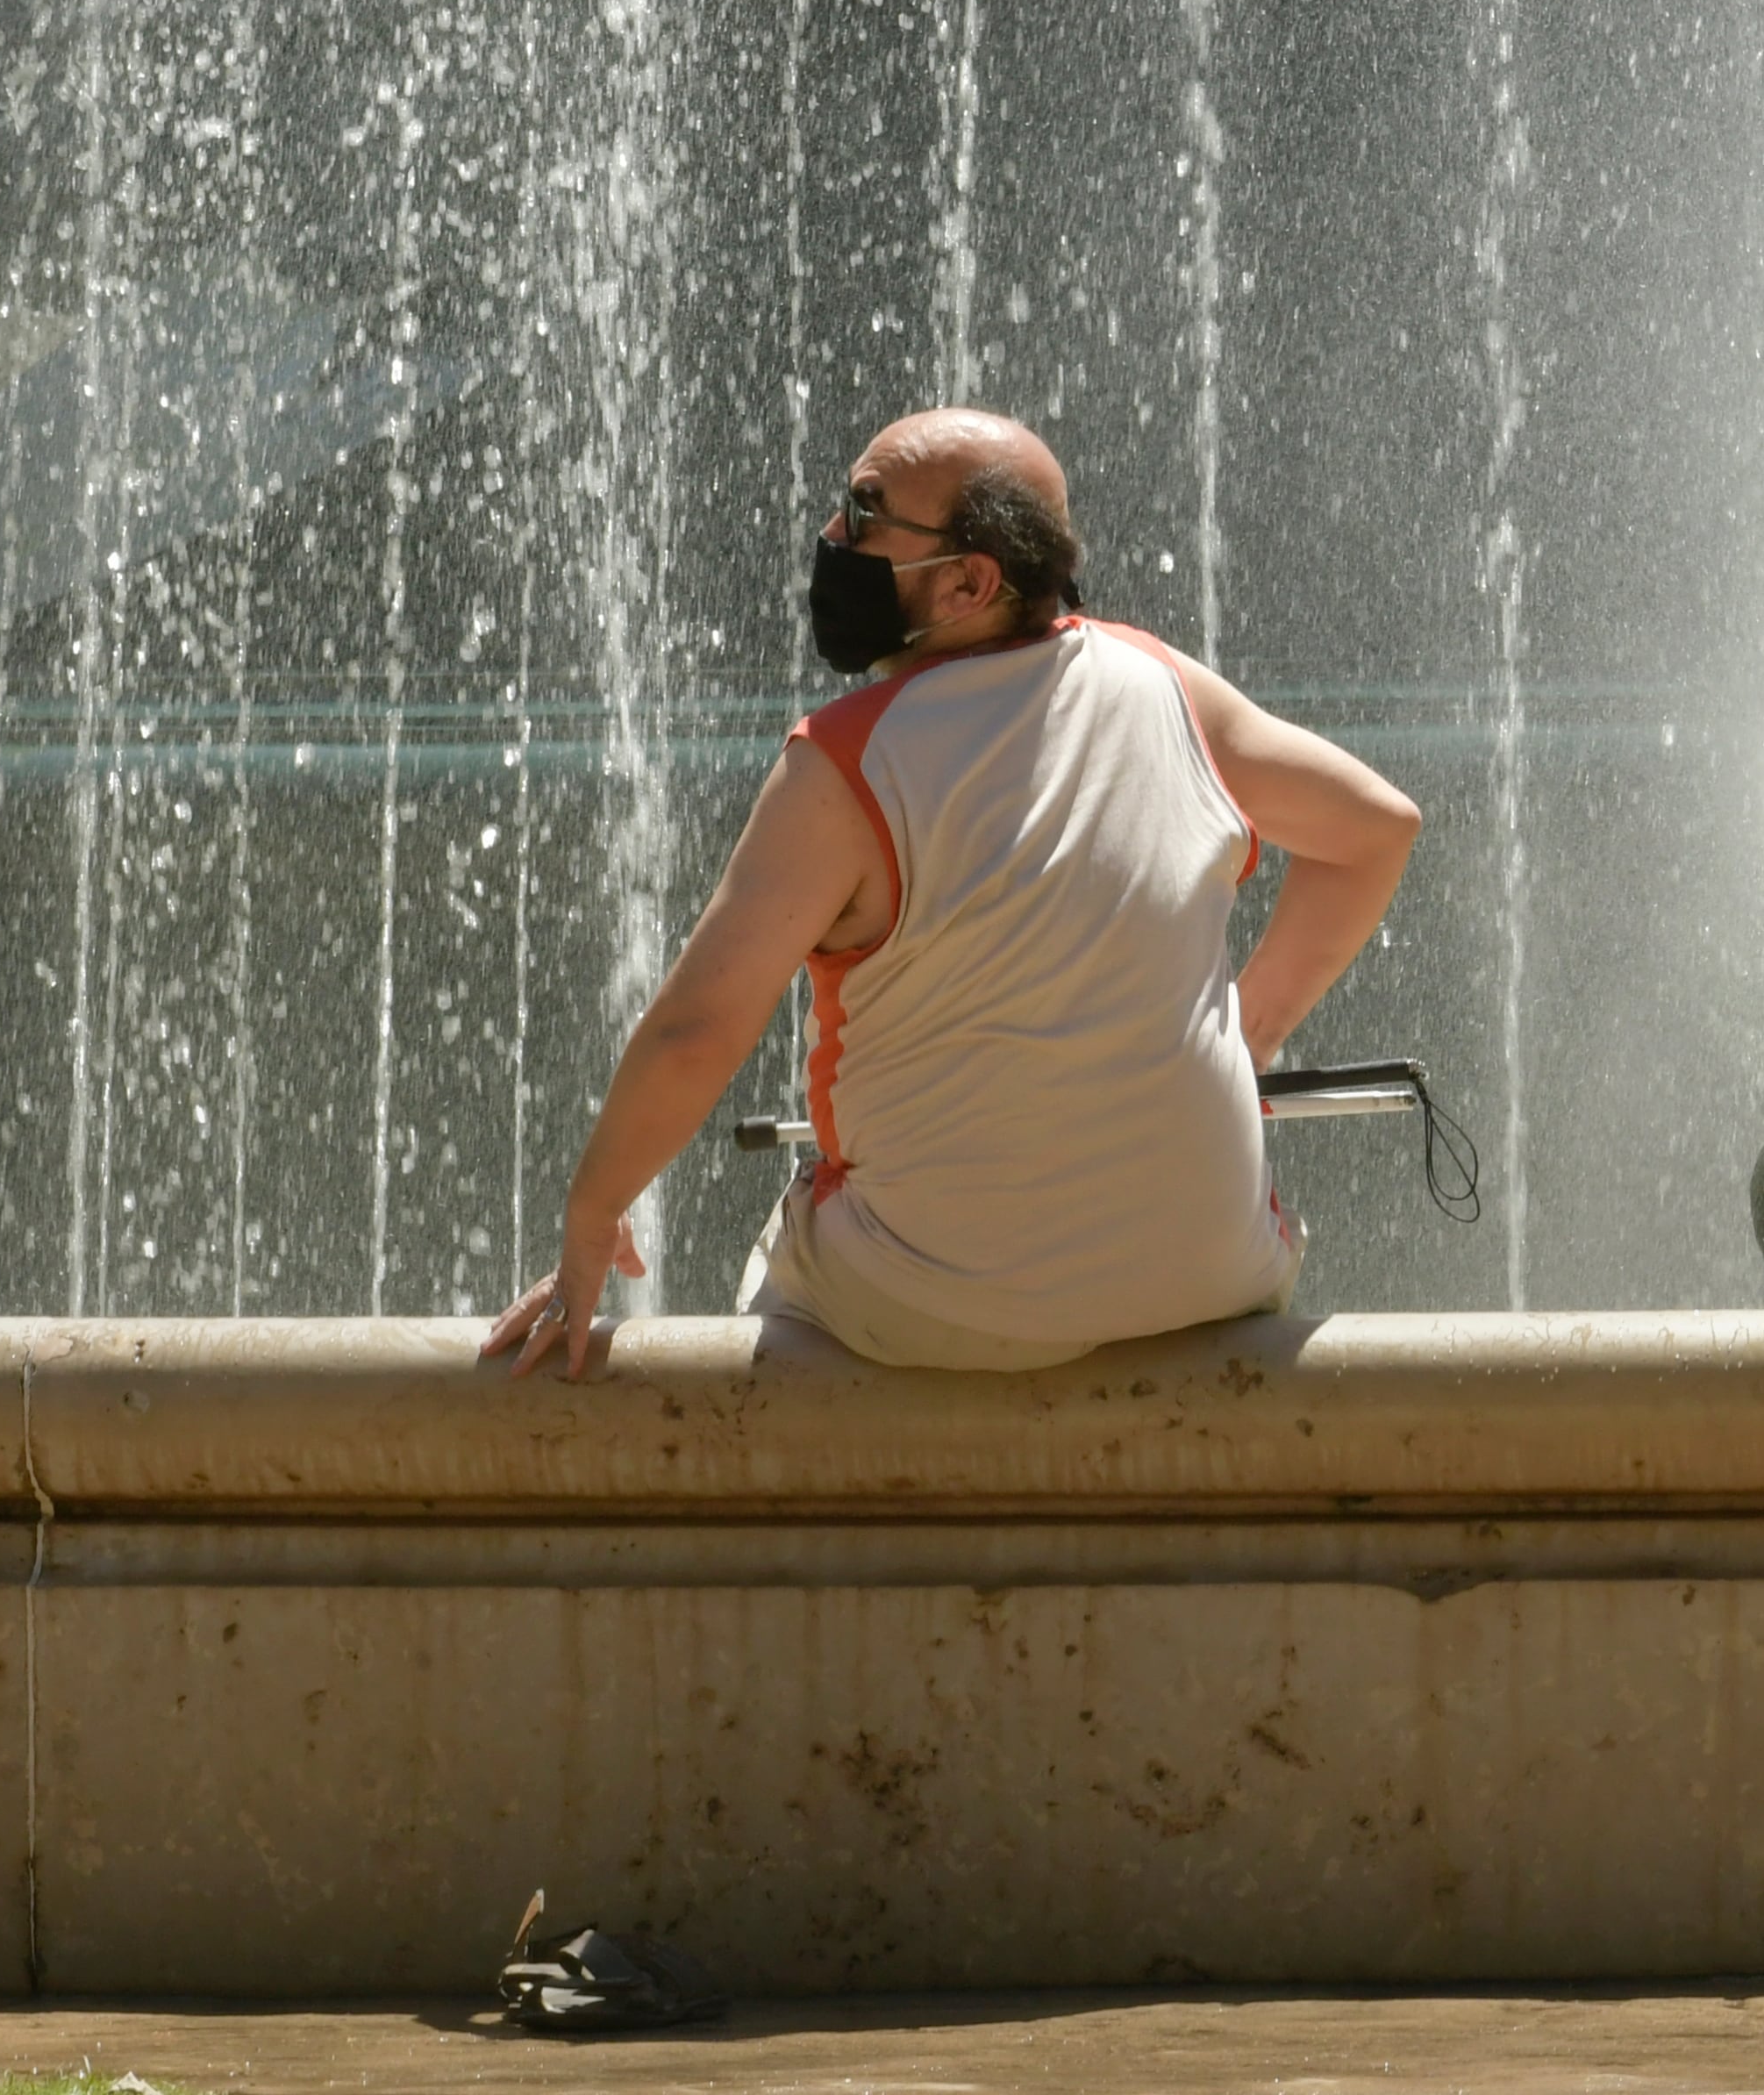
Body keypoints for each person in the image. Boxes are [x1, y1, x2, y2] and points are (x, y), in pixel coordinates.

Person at [486, 407, 1419, 1378]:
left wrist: (591, 1220)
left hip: (932, 1304)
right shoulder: (1163, 685)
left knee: (788, 1284)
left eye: (864, 512)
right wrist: (1248, 1034)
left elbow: (697, 1032)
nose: (830, 537)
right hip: (1212, 1281)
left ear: (972, 581)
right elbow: (1377, 831)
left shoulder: (843, 762)